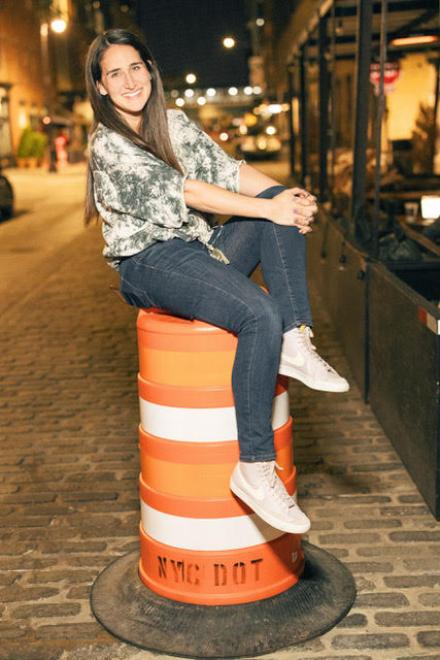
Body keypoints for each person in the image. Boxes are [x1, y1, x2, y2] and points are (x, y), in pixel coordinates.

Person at [85, 29, 349, 536]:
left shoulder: (173, 123)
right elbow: (188, 192)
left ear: (150, 69)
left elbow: (228, 173)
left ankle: (296, 338)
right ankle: (254, 466)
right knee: (258, 313)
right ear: (101, 86)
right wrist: (270, 208)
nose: (129, 81)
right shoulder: (108, 144)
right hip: (149, 261)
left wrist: (288, 199)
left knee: (276, 207)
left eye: (136, 67)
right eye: (114, 74)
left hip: (199, 247)